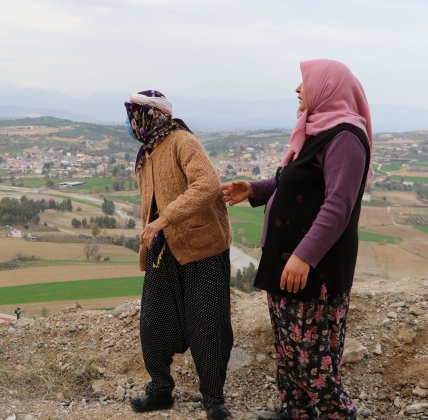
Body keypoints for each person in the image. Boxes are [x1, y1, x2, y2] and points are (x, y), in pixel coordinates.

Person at [222, 59, 371, 420]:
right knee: (289, 355)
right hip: (287, 262)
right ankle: (296, 412)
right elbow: (295, 182)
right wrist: (254, 189)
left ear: (327, 87)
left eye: (304, 81)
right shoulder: (317, 131)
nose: (298, 88)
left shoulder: (346, 139)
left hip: (314, 271)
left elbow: (338, 206)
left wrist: (304, 256)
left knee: (316, 365)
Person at [125, 90, 234, 419]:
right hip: (163, 250)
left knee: (208, 323)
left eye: (136, 113)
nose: (131, 121)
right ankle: (160, 390)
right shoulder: (147, 153)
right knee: (154, 322)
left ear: (153, 114)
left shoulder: (181, 140)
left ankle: (213, 399)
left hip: (202, 246)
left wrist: (165, 219)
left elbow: (207, 184)